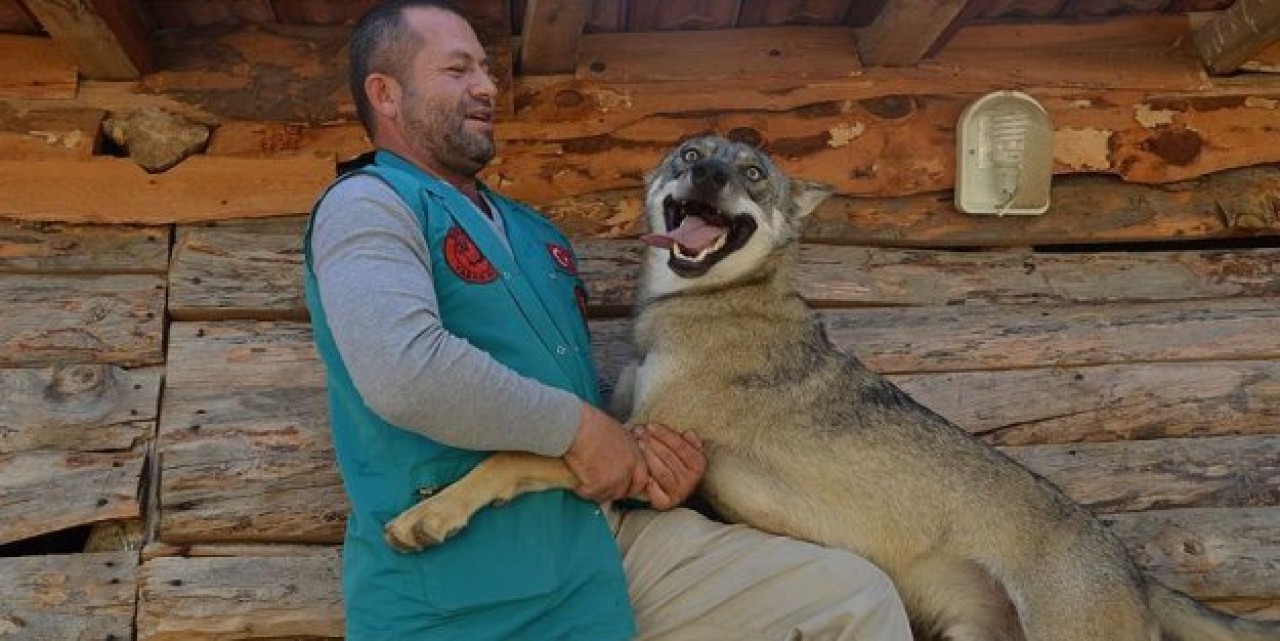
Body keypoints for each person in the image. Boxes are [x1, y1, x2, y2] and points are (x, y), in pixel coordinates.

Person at [303, 1, 914, 639]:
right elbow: (405, 372)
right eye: (457, 71)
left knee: (851, 597)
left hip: (599, 539)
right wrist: (584, 431)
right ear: (386, 93)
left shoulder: (534, 234)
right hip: (463, 574)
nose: (486, 86)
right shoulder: (368, 204)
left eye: (485, 69)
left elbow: (569, 399)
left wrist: (645, 463)